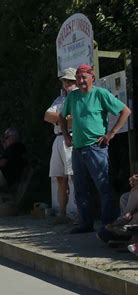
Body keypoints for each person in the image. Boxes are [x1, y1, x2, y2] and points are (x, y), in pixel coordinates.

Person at [59, 64, 131, 234]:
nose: (81, 81)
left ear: (92, 78)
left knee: (103, 186)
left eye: (84, 77)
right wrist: (66, 136)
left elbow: (125, 111)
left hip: (96, 148)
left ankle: (108, 223)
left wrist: (111, 134)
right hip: (77, 148)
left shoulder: (100, 94)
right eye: (78, 78)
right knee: (81, 188)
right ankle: (85, 223)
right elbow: (62, 117)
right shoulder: (73, 96)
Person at [44, 68, 78, 223]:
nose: (67, 84)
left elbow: (75, 119)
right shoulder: (60, 99)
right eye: (65, 81)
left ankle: (76, 212)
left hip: (72, 137)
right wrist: (64, 118)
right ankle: (62, 213)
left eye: (70, 81)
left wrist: (59, 118)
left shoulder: (79, 97)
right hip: (58, 137)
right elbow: (47, 115)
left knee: (73, 176)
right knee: (60, 177)